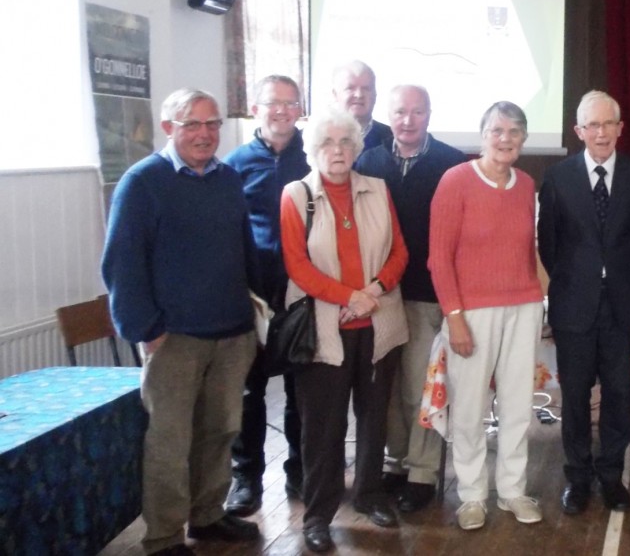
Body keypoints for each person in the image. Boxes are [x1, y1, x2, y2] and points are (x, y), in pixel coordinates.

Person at [102, 88, 261, 556]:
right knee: (170, 443)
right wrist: (144, 329)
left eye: (212, 124)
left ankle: (208, 515)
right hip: (174, 338)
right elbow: (121, 265)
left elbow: (244, 250)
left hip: (232, 333)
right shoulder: (142, 182)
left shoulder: (229, 179)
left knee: (220, 432)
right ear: (168, 128)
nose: (204, 134)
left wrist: (256, 312)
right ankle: (165, 536)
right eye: (192, 124)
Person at [280, 108, 409, 553]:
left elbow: (399, 251)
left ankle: (371, 495)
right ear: (313, 151)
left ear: (356, 148)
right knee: (323, 428)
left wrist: (374, 289)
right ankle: (318, 515)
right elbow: (297, 264)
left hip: (379, 322)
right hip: (325, 329)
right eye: (327, 144)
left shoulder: (379, 189)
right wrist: (348, 296)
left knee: (375, 420)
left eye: (345, 143)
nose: (337, 151)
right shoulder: (296, 195)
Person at [538, 91, 630, 515]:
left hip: (622, 305)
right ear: (578, 132)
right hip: (573, 304)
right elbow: (548, 245)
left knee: (618, 392)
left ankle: (611, 475)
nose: (601, 132)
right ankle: (577, 477)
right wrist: (578, 280)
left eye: (609, 124)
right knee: (573, 395)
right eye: (592, 125)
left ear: (620, 128)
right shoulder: (557, 178)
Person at [428, 101, 545, 530]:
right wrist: (455, 317)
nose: (505, 139)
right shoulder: (455, 180)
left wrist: (538, 301)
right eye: (497, 130)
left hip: (524, 307)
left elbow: (528, 251)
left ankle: (513, 490)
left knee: (517, 406)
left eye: (514, 132)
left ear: (524, 140)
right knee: (469, 407)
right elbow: (439, 258)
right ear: (482, 135)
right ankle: (473, 495)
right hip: (471, 312)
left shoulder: (527, 183)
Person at [355, 84, 467, 513]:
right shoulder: (370, 161)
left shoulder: (451, 164)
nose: (407, 120)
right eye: (400, 112)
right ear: (389, 113)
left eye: (416, 112)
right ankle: (395, 463)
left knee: (419, 387)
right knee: (384, 389)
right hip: (378, 294)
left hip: (425, 294)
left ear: (430, 115)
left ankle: (422, 471)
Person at [223, 75, 309, 515]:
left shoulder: (314, 158)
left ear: (300, 110)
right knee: (248, 393)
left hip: (302, 295)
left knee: (301, 391)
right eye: (272, 103)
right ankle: (246, 479)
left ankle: (300, 471)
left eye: (290, 103)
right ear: (255, 109)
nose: (281, 111)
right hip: (252, 298)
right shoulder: (233, 164)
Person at [331, 60, 392, 150]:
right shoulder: (311, 139)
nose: (359, 95)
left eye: (366, 88)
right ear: (335, 94)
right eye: (350, 88)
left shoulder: (394, 140)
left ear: (375, 95)